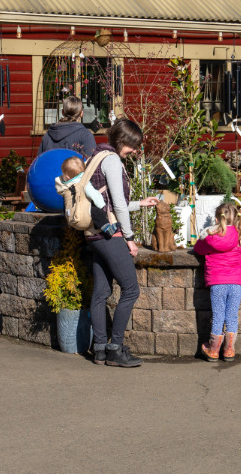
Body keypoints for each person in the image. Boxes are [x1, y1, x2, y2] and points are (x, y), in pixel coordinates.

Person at [86, 117, 155, 368]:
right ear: (122, 140)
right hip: (110, 233)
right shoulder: (113, 160)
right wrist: (129, 238)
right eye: (133, 146)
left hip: (93, 232)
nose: (135, 151)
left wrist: (140, 204)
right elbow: (116, 204)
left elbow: (106, 200)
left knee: (101, 293)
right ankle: (116, 348)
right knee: (131, 289)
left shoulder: (95, 156)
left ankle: (101, 349)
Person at [194, 201, 241, 361]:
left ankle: (214, 350)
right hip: (235, 282)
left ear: (217, 219)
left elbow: (198, 248)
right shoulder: (240, 235)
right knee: (231, 316)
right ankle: (229, 350)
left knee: (218, 316)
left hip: (217, 282)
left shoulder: (212, 237)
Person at [57, 155, 117, 237]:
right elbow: (93, 194)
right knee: (96, 211)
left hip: (73, 214)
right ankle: (107, 228)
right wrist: (102, 205)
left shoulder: (66, 185)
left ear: (67, 177)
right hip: (84, 214)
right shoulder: (83, 182)